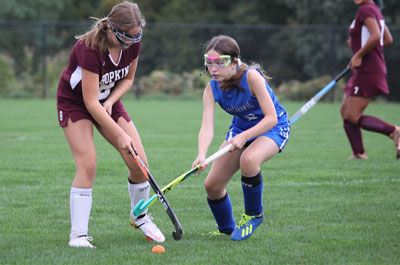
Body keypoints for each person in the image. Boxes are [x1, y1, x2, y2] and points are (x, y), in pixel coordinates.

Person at [57, 1, 165, 248]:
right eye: (127, 38)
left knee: (140, 164)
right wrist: (119, 135)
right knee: (88, 163)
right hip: (76, 103)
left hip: (107, 100)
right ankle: (78, 236)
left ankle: (139, 217)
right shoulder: (89, 48)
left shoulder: (133, 43)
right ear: (111, 29)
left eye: (136, 37)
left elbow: (127, 79)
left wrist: (112, 102)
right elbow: (90, 102)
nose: (132, 43)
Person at [192, 35, 290, 241]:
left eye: (220, 62)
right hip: (240, 130)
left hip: (272, 128)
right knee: (212, 186)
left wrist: (245, 137)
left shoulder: (252, 77)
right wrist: (201, 154)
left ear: (235, 62)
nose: (213, 68)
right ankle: (226, 229)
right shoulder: (211, 88)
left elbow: (271, 118)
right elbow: (207, 127)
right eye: (209, 63)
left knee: (249, 159)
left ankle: (253, 216)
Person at [341, 0, 399, 160]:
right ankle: (359, 154)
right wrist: (357, 45)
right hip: (365, 69)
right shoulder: (373, 9)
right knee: (345, 112)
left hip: (368, 69)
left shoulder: (366, 9)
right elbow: (386, 39)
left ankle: (394, 131)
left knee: (352, 115)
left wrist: (358, 54)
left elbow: (375, 36)